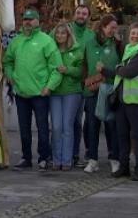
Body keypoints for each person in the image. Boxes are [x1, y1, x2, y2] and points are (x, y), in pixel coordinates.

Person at [4, 9, 62, 172]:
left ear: (38, 21)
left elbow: (56, 68)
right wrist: (10, 76)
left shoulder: (46, 41)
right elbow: (7, 61)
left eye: (31, 19)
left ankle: (44, 158)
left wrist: (49, 87)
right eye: (25, 19)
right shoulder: (16, 41)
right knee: (24, 129)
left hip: (40, 94)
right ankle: (26, 158)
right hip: (21, 93)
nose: (27, 22)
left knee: (42, 128)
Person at [110, 23, 138, 181]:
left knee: (137, 136)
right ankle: (124, 167)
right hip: (123, 101)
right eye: (133, 33)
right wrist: (118, 69)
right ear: (129, 35)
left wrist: (118, 69)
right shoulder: (128, 50)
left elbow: (127, 72)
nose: (135, 36)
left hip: (137, 102)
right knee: (122, 135)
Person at [81, 14, 122, 174]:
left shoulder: (117, 44)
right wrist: (84, 82)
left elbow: (122, 66)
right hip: (92, 91)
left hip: (110, 91)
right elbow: (84, 65)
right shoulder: (89, 43)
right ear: (103, 27)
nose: (114, 30)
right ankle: (93, 159)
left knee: (111, 125)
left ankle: (114, 158)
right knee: (92, 125)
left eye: (115, 28)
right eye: (111, 27)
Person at [49, 22, 83, 171]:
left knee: (67, 126)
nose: (60, 35)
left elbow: (81, 72)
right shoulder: (51, 50)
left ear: (68, 35)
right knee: (56, 126)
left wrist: (67, 70)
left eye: (63, 33)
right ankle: (56, 159)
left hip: (72, 92)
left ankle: (67, 160)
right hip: (55, 93)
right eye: (57, 33)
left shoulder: (77, 50)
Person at [65, 5, 95, 168]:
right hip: (67, 84)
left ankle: (83, 153)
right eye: (78, 13)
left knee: (84, 122)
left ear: (88, 16)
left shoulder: (92, 36)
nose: (81, 16)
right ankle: (68, 153)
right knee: (70, 122)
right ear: (74, 14)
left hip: (87, 85)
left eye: (84, 13)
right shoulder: (64, 30)